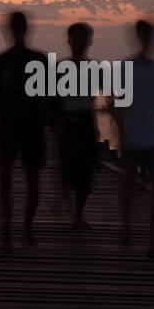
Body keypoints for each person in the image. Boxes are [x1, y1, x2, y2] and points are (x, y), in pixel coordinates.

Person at [0, 11, 54, 255]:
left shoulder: (39, 60)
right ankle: (7, 234)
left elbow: (50, 95)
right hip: (9, 128)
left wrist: (50, 122)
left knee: (32, 183)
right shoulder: (1, 62)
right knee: (5, 183)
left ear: (23, 30)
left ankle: (26, 229)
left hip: (32, 128)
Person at [109, 18, 154, 259]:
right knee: (127, 187)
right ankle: (126, 229)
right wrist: (121, 136)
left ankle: (152, 241)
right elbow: (116, 105)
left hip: (152, 138)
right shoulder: (125, 68)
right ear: (138, 37)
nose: (149, 40)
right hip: (132, 138)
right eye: (144, 36)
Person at [56, 23, 99, 229]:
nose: (79, 43)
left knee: (86, 170)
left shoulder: (94, 68)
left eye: (83, 39)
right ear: (69, 41)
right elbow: (51, 99)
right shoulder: (60, 68)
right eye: (76, 39)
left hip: (86, 122)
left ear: (88, 41)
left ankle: (77, 215)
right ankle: (67, 204)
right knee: (67, 168)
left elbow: (98, 99)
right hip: (66, 122)